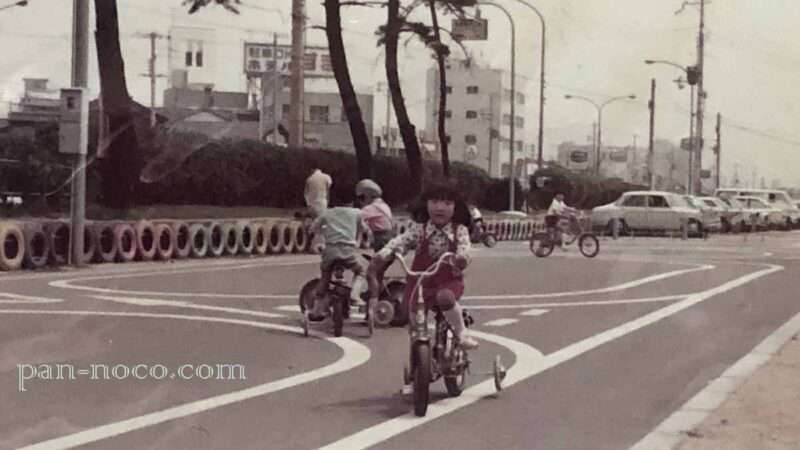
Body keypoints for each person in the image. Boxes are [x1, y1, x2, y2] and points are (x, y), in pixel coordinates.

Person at [372, 181, 478, 349]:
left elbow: (465, 248)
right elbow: (402, 241)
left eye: (447, 203)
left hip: (447, 280)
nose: (440, 208)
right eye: (434, 202)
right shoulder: (419, 229)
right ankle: (418, 353)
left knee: (445, 298)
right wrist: (385, 253)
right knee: (412, 316)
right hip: (420, 281)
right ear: (426, 204)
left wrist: (461, 259)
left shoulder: (459, 230)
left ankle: (461, 332)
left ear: (455, 207)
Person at [307, 204, 371, 322]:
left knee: (325, 277)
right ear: (351, 201)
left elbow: (313, 228)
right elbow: (365, 229)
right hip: (348, 251)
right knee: (361, 271)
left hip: (330, 251)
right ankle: (355, 295)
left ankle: (317, 308)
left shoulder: (327, 213)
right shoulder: (356, 213)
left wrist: (322, 232)